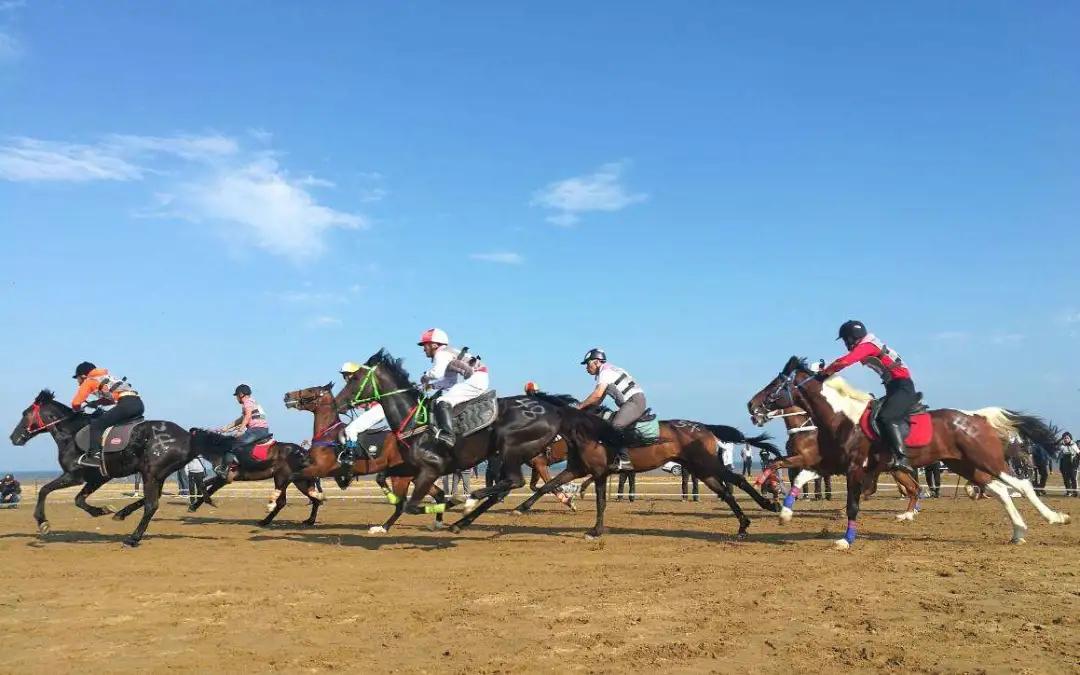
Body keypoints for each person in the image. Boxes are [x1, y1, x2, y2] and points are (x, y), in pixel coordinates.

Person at [817, 320, 917, 475]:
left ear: (852, 337)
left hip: (902, 387)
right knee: (870, 415)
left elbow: (845, 361)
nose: (845, 343)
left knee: (885, 417)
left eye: (846, 339)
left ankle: (901, 457)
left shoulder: (868, 346)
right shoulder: (869, 344)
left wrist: (824, 373)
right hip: (894, 387)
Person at [418, 328, 491, 451]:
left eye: (425, 345)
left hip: (476, 380)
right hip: (479, 378)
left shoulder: (441, 353)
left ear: (434, 345)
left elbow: (437, 373)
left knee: (442, 401)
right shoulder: (448, 353)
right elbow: (449, 382)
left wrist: (425, 377)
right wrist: (430, 386)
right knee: (447, 398)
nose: (423, 348)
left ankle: (448, 436)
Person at [577, 348, 647, 471]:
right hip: (633, 401)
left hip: (634, 401)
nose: (587, 368)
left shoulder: (605, 372)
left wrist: (580, 406)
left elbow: (597, 395)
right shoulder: (609, 370)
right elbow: (598, 400)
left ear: (596, 362)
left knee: (615, 426)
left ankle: (625, 460)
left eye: (588, 364)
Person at [70, 362, 144, 463]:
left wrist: (78, 410)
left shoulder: (89, 380)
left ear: (83, 376)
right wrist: (96, 403)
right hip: (138, 404)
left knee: (96, 424)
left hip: (125, 405)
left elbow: (76, 403)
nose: (78, 382)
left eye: (77, 378)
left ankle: (94, 456)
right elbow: (112, 399)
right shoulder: (106, 377)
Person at [338, 361, 389, 470]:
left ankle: (351, 457)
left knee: (350, 430)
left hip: (378, 409)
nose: (346, 378)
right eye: (344, 375)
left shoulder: (362, 382)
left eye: (347, 374)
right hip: (376, 409)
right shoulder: (360, 383)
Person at [214, 385, 271, 478]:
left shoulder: (247, 402)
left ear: (241, 395)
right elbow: (242, 419)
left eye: (236, 396)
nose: (236, 399)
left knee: (233, 445)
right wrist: (226, 428)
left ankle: (224, 469)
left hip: (256, 430)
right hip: (261, 430)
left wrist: (240, 430)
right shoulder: (253, 402)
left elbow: (247, 416)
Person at [1059, 432, 1079, 497]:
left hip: (1073, 464)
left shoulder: (1074, 445)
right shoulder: (1062, 446)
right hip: (1065, 464)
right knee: (1066, 478)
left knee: (1073, 478)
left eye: (1067, 438)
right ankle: (1068, 492)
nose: (1066, 439)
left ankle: (1075, 492)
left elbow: (1079, 453)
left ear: (1070, 438)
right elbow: (1060, 456)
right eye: (1064, 438)